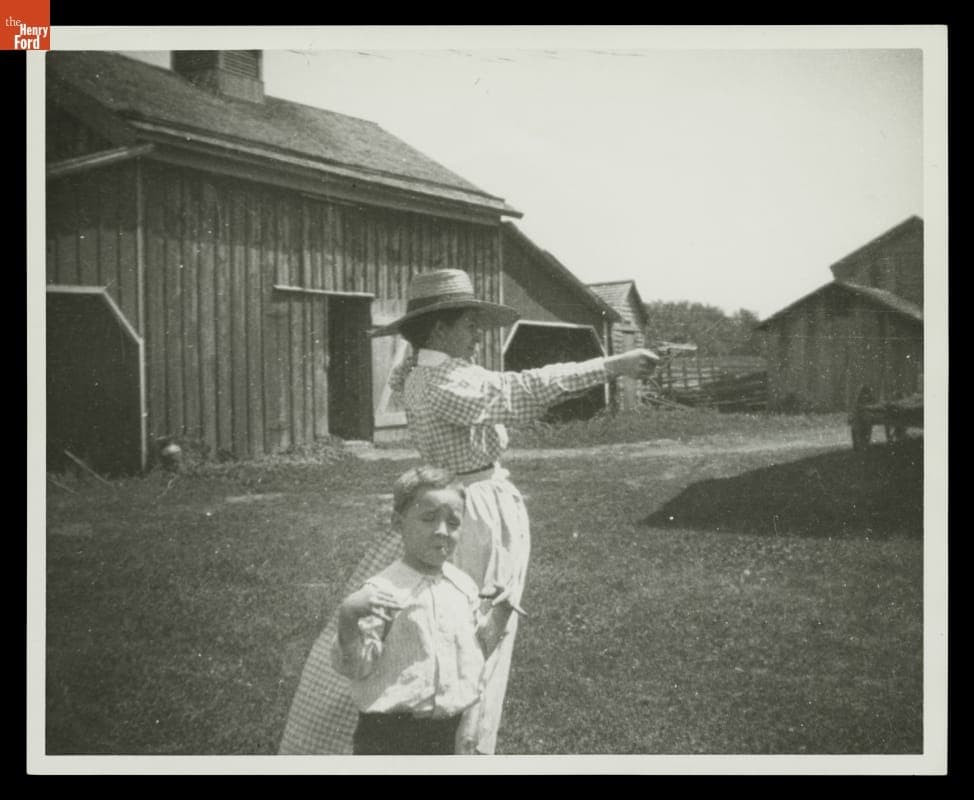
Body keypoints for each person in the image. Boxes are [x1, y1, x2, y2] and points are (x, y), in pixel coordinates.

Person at [279, 268, 658, 755]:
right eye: (469, 326)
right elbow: (521, 390)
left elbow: (433, 380)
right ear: (439, 330)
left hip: (469, 500)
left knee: (460, 625)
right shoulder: (442, 381)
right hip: (467, 513)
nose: (477, 334)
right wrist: (613, 365)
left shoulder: (422, 370)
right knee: (467, 629)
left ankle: (452, 733)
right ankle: (452, 740)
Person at [333, 466, 511, 755]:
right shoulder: (382, 591)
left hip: (447, 731)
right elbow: (355, 667)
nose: (442, 531)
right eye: (428, 519)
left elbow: (473, 655)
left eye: (453, 523)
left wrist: (501, 612)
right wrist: (348, 616)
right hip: (389, 735)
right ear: (398, 523)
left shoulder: (463, 586)